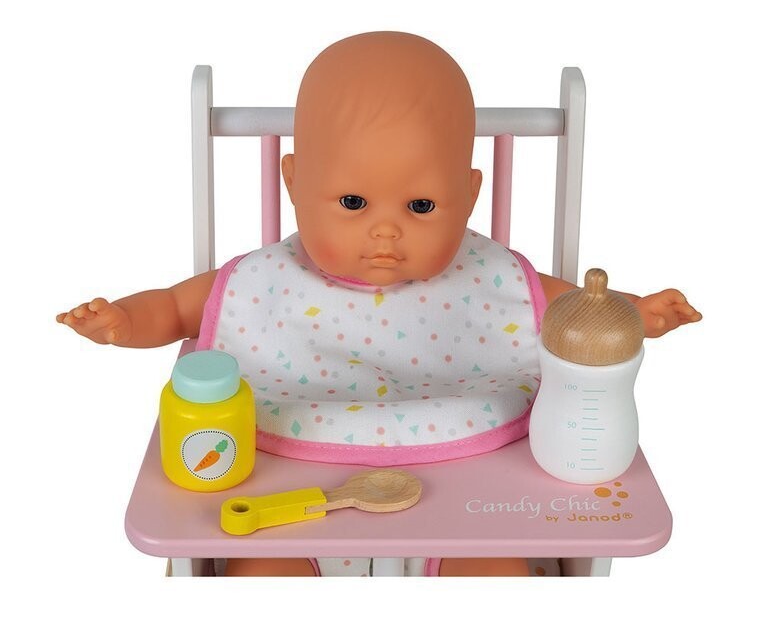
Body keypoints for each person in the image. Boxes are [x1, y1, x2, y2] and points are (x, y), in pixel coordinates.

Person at [57, 32, 701, 576]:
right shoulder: (267, 280)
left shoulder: (488, 276)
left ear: (469, 194)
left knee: (496, 571)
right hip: (286, 486)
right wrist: (125, 321)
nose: (385, 230)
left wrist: (631, 313)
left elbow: (574, 311)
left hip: (475, 484)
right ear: (293, 182)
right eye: (353, 203)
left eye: (421, 205)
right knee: (263, 573)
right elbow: (175, 308)